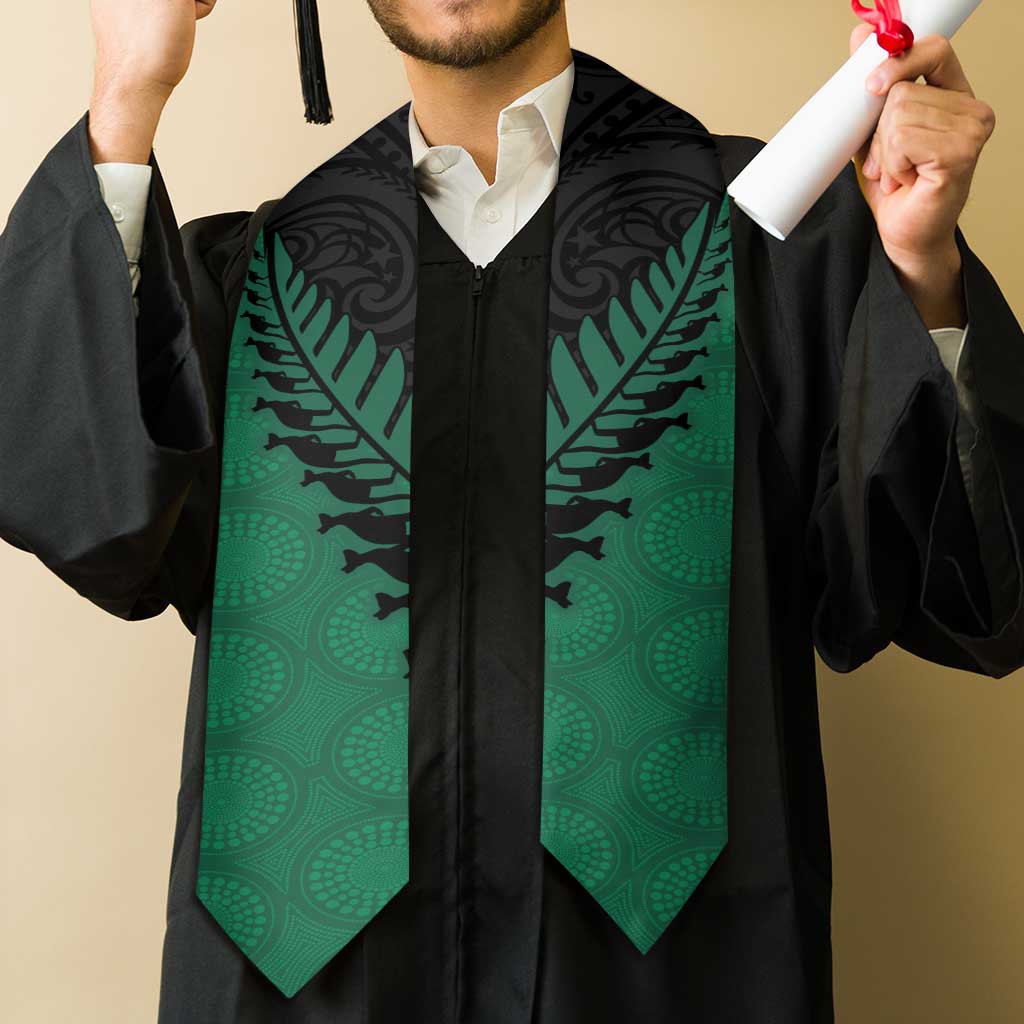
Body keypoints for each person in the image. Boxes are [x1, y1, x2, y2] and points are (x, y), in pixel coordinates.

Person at [2, 1, 1022, 1021]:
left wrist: (920, 270)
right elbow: (92, 516)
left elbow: (961, 588)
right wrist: (125, 98)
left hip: (667, 984)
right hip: (301, 992)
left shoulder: (760, 236)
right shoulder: (260, 278)